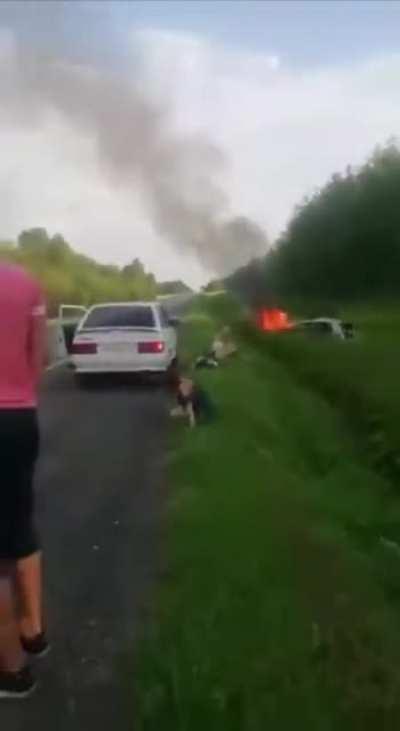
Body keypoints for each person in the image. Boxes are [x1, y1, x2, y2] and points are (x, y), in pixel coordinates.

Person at [0, 262, 48, 699]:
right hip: (19, 417)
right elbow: (41, 356)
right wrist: (20, 392)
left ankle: (12, 672)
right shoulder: (24, 282)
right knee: (19, 523)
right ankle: (33, 629)